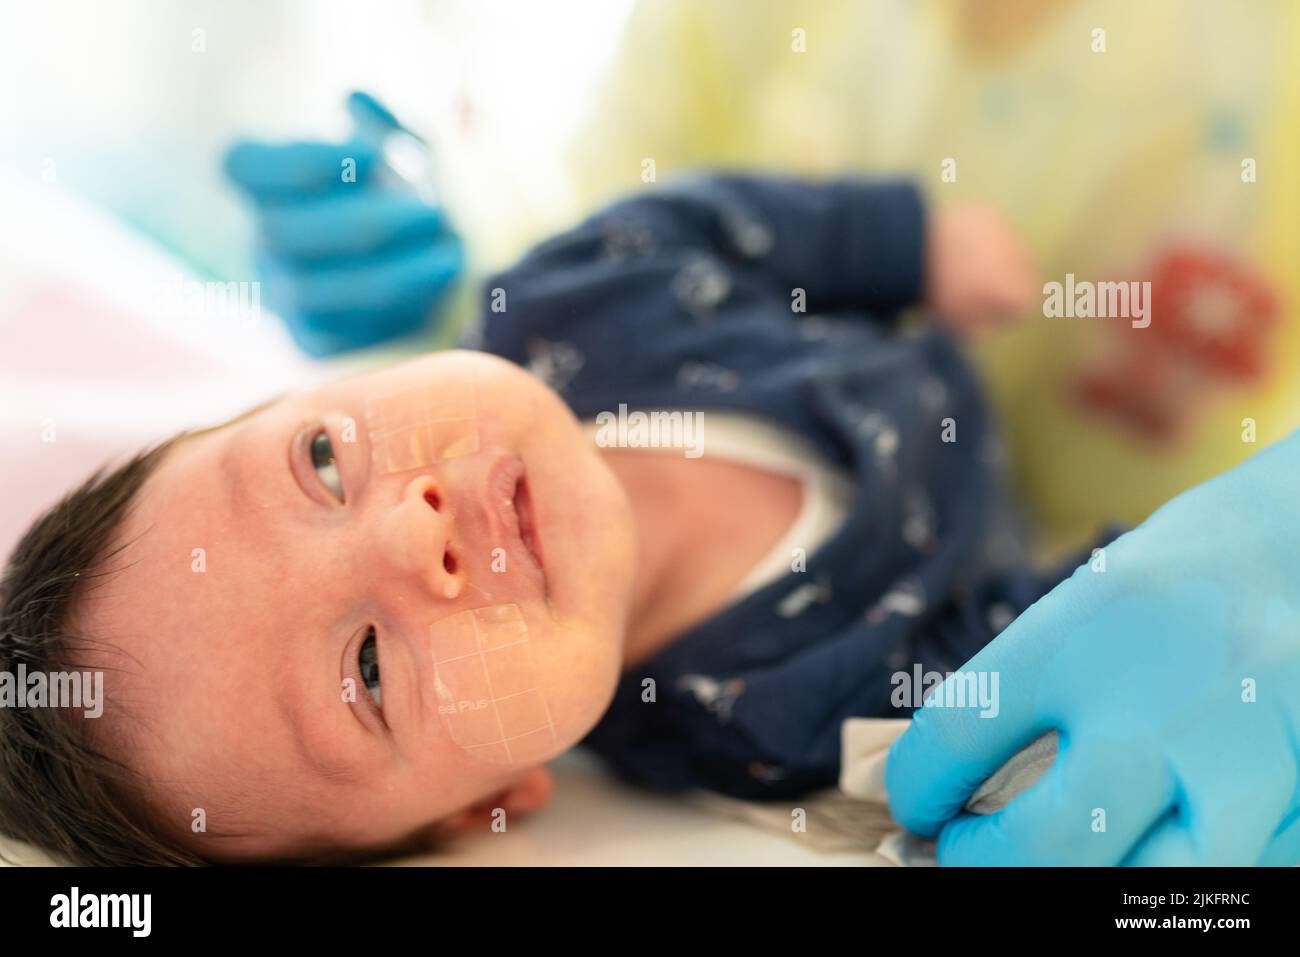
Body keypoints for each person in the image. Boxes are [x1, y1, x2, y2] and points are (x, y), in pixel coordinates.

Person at [3, 170, 1074, 864]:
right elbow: (1032, 648)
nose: (411, 531)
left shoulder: (571, 304)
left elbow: (737, 229)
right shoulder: (769, 722)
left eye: (321, 463)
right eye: (368, 672)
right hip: (1030, 494)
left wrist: (906, 240)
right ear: (489, 806)